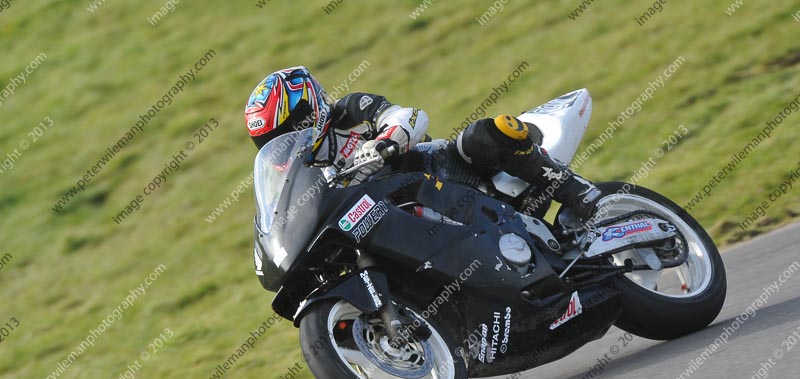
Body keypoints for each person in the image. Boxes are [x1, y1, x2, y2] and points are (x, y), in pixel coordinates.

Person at [244, 65, 601, 221]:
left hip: (442, 171)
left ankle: (577, 192)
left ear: (309, 107)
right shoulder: (303, 173)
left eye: (284, 130)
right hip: (397, 215)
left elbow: (410, 116)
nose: (281, 142)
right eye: (269, 140)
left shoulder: (347, 111)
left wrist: (385, 142)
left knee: (481, 134)